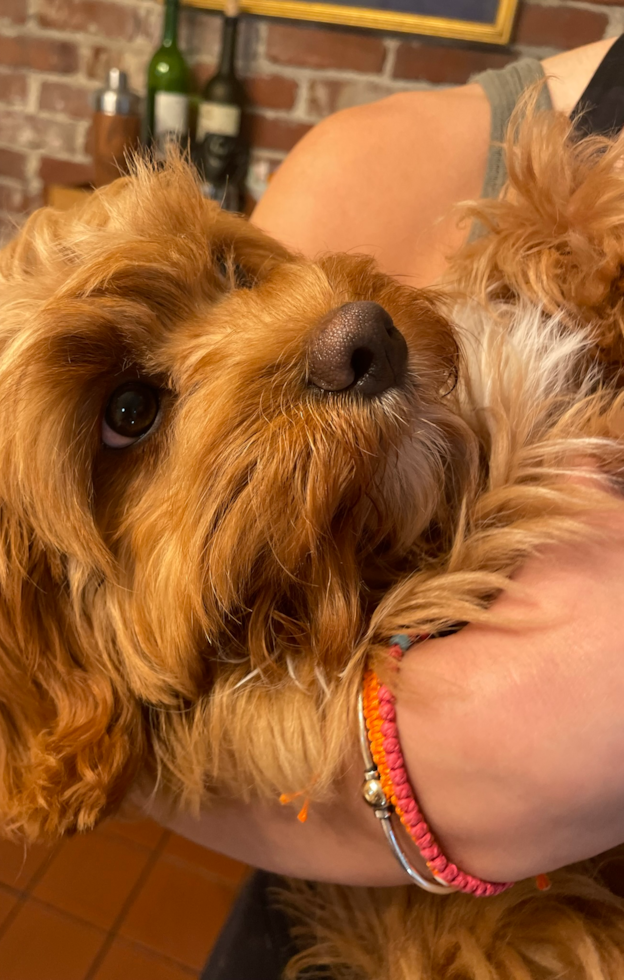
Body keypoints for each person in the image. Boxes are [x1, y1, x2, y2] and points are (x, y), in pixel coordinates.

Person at [135, 34, 624, 977]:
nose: (338, 324)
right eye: (133, 410)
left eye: (240, 278)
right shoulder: (374, 164)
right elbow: (143, 699)